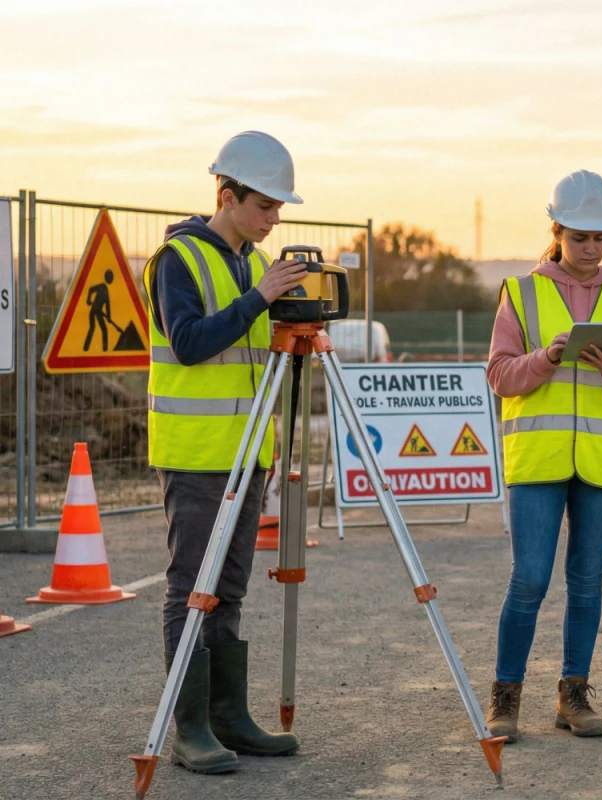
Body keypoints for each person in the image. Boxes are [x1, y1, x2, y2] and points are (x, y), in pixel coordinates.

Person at [142, 131, 307, 774]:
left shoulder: (245, 264)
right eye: (264, 207)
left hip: (245, 454)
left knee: (230, 589)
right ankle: (189, 729)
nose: (272, 221)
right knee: (192, 589)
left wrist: (275, 305)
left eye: (277, 210)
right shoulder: (178, 260)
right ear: (226, 194)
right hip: (196, 454)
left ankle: (228, 718)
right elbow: (188, 342)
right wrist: (261, 297)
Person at [484, 170, 602, 742]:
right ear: (556, 231)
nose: (590, 248)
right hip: (538, 461)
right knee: (528, 580)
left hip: (601, 466)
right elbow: (500, 377)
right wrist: (544, 359)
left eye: (600, 237)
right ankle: (505, 698)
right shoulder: (522, 292)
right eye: (579, 236)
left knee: (587, 584)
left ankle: (573, 696)